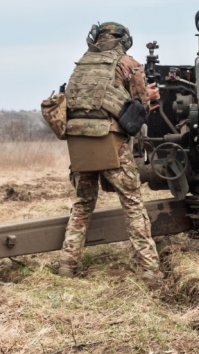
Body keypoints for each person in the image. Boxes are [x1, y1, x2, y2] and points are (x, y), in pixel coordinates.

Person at [57, 22, 162, 280]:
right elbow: (140, 107)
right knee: (133, 204)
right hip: (110, 141)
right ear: (123, 39)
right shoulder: (127, 63)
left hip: (79, 142)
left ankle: (67, 266)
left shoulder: (82, 64)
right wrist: (149, 95)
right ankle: (150, 270)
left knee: (82, 204)